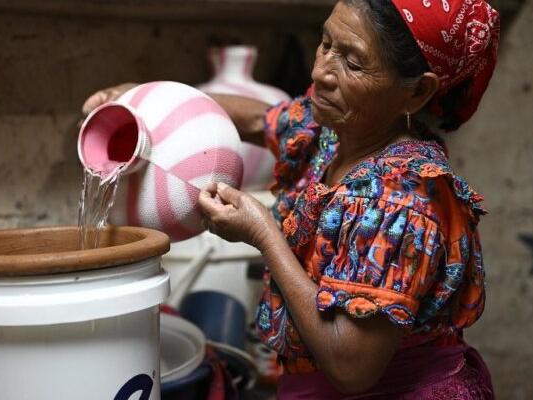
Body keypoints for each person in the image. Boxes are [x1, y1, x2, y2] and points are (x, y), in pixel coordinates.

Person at [82, 1, 500, 398]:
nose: (321, 72)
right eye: (326, 43)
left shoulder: (401, 200)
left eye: (352, 62)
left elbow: (351, 367)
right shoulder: (335, 132)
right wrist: (145, 99)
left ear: (417, 92)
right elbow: (255, 118)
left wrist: (264, 234)